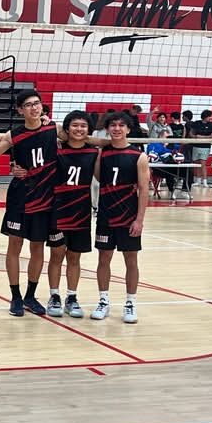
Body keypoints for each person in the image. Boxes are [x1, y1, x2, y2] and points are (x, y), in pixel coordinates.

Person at [0, 90, 57, 317]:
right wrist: (11, 166)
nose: (34, 108)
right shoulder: (14, 135)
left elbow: (81, 138)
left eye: (37, 104)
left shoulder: (53, 129)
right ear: (20, 110)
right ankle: (16, 297)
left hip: (44, 197)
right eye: (29, 105)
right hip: (20, 196)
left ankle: (31, 295)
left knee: (38, 247)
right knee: (15, 245)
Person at [92, 112, 150, 323]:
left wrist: (140, 220)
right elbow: (99, 178)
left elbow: (144, 190)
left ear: (128, 129)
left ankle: (131, 303)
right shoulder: (102, 153)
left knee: (131, 260)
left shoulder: (139, 156)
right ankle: (103, 300)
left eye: (121, 125)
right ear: (107, 129)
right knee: (103, 259)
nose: (117, 128)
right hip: (106, 215)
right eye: (113, 125)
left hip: (129, 216)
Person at [45, 111, 99, 318]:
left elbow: (101, 176)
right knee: (57, 255)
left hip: (81, 212)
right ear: (67, 129)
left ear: (89, 130)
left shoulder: (94, 152)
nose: (79, 129)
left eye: (83, 126)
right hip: (58, 210)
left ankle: (72, 297)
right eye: (74, 125)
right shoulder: (56, 150)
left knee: (75, 257)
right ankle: (54, 296)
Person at [192, 110, 212, 187]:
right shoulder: (197, 123)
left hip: (205, 147)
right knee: (197, 164)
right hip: (196, 146)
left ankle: (205, 181)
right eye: (209, 116)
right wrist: (196, 137)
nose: (211, 118)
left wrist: (200, 137)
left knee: (203, 163)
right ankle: (198, 181)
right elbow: (191, 134)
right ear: (205, 116)